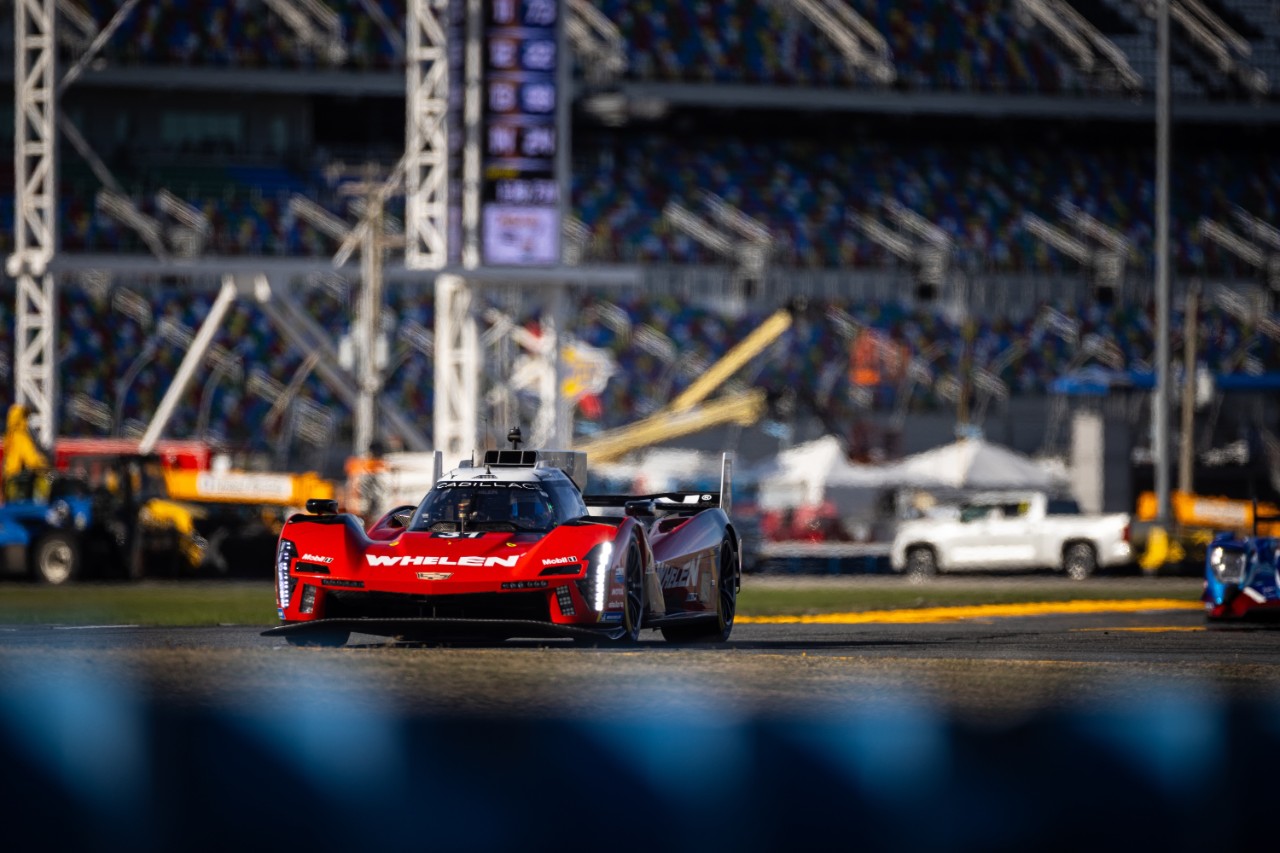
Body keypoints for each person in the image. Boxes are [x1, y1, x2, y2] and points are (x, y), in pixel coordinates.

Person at [2, 403, 50, 502]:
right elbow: (32, 459)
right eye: (25, 417)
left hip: (9, 479)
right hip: (19, 481)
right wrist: (44, 465)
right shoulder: (21, 436)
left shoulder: (10, 436)